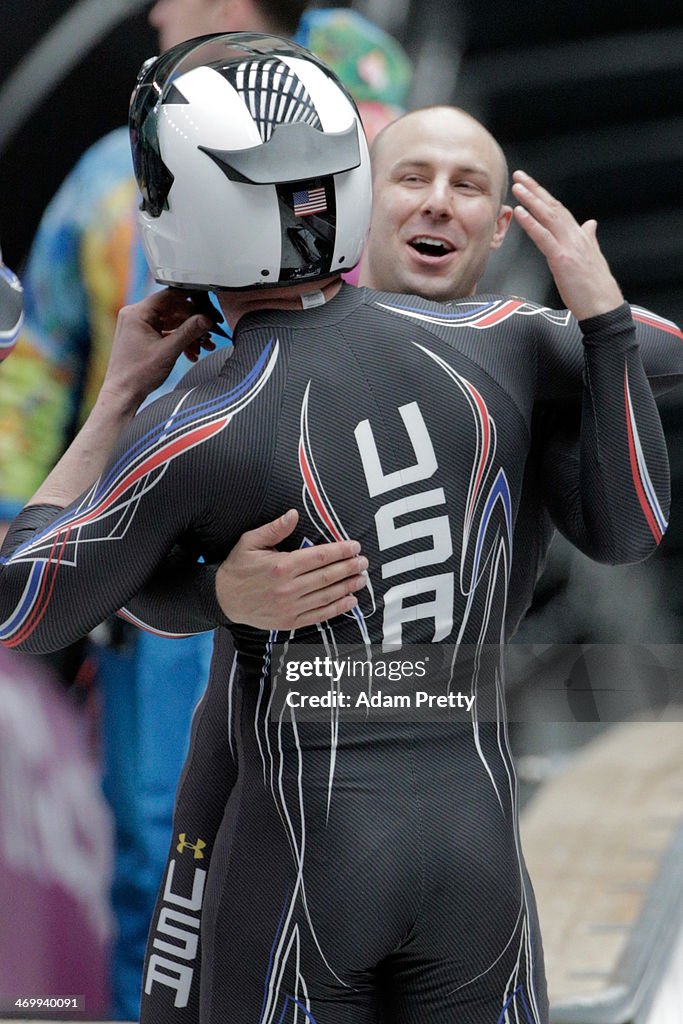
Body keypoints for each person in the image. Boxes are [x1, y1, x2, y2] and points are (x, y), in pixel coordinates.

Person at [0, 34, 673, 1022]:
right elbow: (628, 524)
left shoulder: (196, 423)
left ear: (182, 208)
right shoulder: (501, 342)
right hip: (473, 852)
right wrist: (603, 321)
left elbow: (23, 606)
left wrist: (115, 402)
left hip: (301, 859)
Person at [0, 4, 411, 1016]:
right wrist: (85, 555)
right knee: (162, 855)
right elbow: (32, 374)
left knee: (354, 851)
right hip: (160, 570)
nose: (150, 9)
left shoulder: (360, 120)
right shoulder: (113, 180)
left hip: (351, 575)